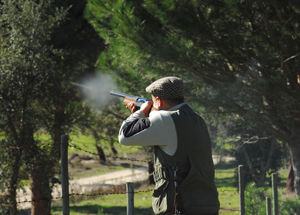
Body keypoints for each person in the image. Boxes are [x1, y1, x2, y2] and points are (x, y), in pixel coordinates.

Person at [118, 76, 220, 215]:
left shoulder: (163, 119)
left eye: (152, 101)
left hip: (179, 207)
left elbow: (124, 136)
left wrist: (140, 112)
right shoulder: (197, 119)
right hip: (206, 204)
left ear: (158, 100)